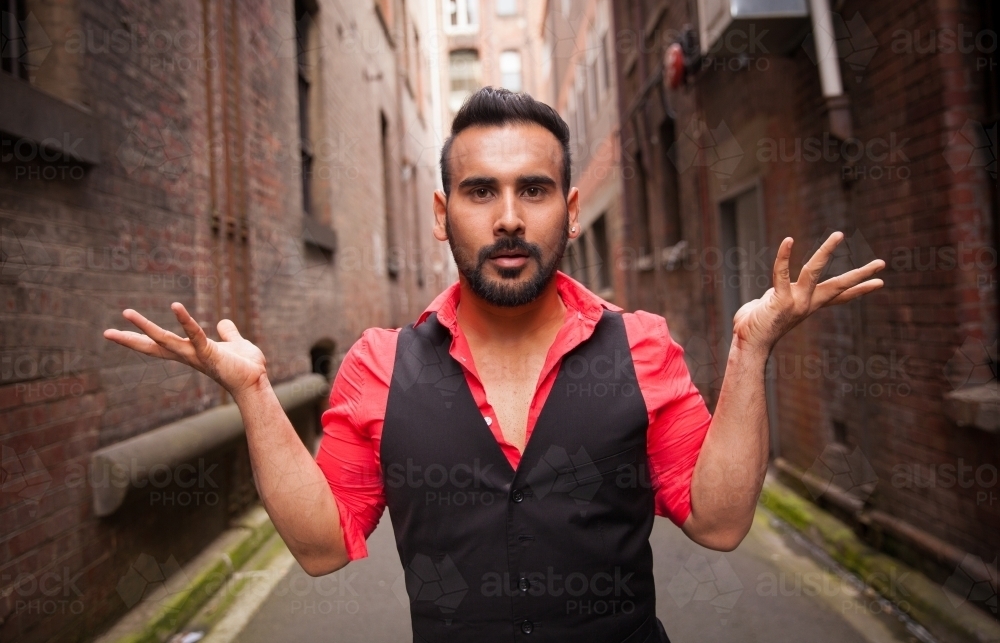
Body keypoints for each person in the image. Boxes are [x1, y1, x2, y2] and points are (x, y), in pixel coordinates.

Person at [104, 87, 885, 642]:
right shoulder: (380, 366)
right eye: (481, 191)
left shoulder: (640, 346)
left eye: (533, 189)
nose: (508, 217)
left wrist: (750, 351)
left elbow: (718, 521)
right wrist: (250, 390)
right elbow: (319, 545)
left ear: (571, 210)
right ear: (444, 213)